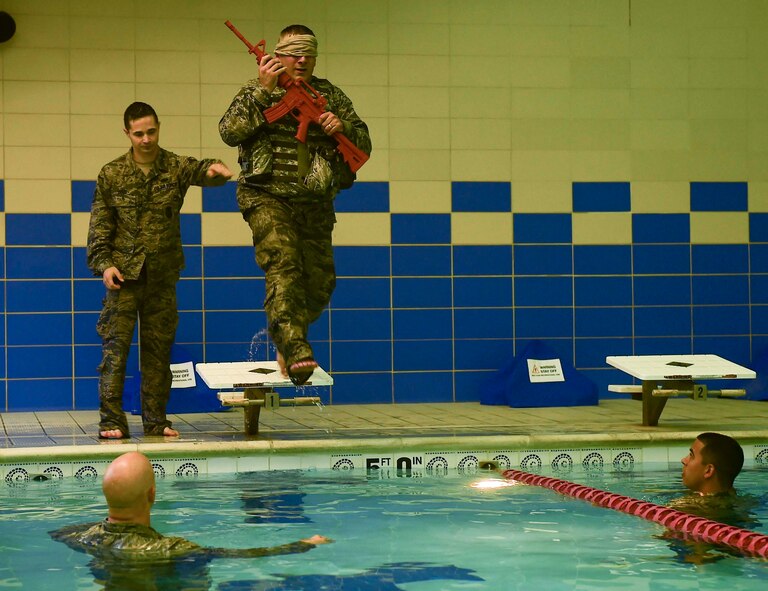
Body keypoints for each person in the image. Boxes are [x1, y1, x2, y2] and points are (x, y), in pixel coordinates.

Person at [219, 24, 372, 385]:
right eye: (293, 53)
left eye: (308, 53)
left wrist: (344, 128)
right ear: (279, 55)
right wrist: (263, 92)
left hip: (314, 200)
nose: (301, 60)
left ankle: (286, 336)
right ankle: (296, 346)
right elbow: (229, 131)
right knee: (283, 265)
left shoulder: (330, 95)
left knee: (320, 283)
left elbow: (364, 144)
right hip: (266, 195)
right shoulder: (257, 90)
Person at [87, 102, 233, 439]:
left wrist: (218, 172)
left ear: (158, 128)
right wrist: (104, 264)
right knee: (115, 352)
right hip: (123, 276)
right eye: (139, 133)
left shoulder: (174, 167)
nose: (146, 139)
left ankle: (156, 421)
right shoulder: (112, 173)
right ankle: (112, 421)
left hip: (162, 277)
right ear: (127, 133)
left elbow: (204, 170)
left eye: (151, 131)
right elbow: (100, 226)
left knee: (157, 354)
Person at [50, 452, 330, 589]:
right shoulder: (172, 548)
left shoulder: (82, 537)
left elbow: (58, 532)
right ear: (152, 493)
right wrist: (302, 544)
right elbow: (245, 555)